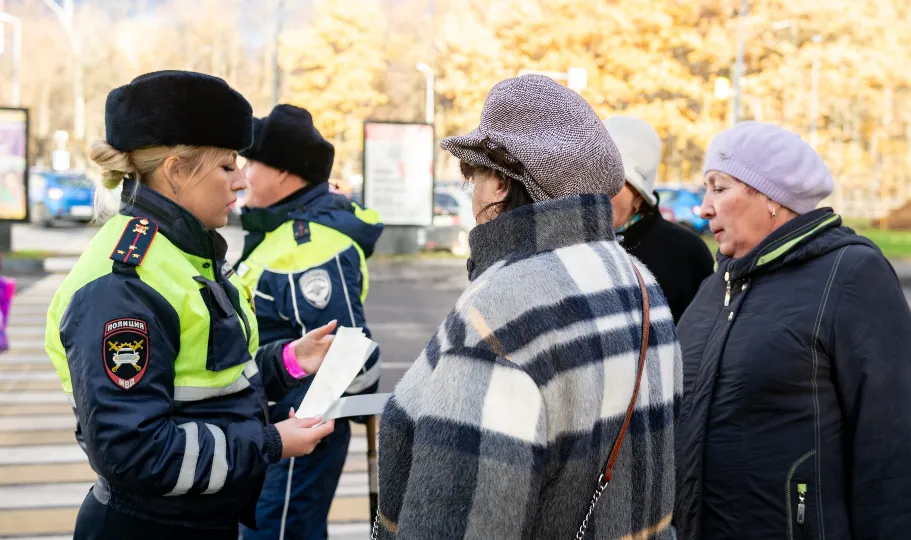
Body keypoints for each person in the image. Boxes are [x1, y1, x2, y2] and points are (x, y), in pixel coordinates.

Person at [374, 74, 682, 539]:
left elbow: (462, 519)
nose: (473, 196)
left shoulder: (499, 311)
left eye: (473, 179)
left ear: (498, 183)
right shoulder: (642, 283)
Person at [44, 71, 339, 540]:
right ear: (176, 170)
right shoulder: (126, 281)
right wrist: (269, 443)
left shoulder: (182, 251)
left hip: (194, 519)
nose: (241, 181)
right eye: (227, 166)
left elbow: (203, 380)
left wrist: (287, 362)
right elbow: (133, 450)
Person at [673, 121, 911, 539]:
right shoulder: (715, 286)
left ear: (770, 197)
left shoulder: (851, 275)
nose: (703, 208)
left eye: (719, 188)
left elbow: (895, 452)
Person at [235, 104, 383, 540]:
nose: (242, 176)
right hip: (272, 430)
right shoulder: (282, 232)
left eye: (250, 163)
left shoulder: (312, 244)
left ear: (283, 172)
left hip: (296, 432)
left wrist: (320, 414)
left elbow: (352, 353)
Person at [604, 116, 715, 324]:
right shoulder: (566, 245)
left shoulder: (685, 253)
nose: (598, 191)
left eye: (613, 182)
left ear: (639, 195)